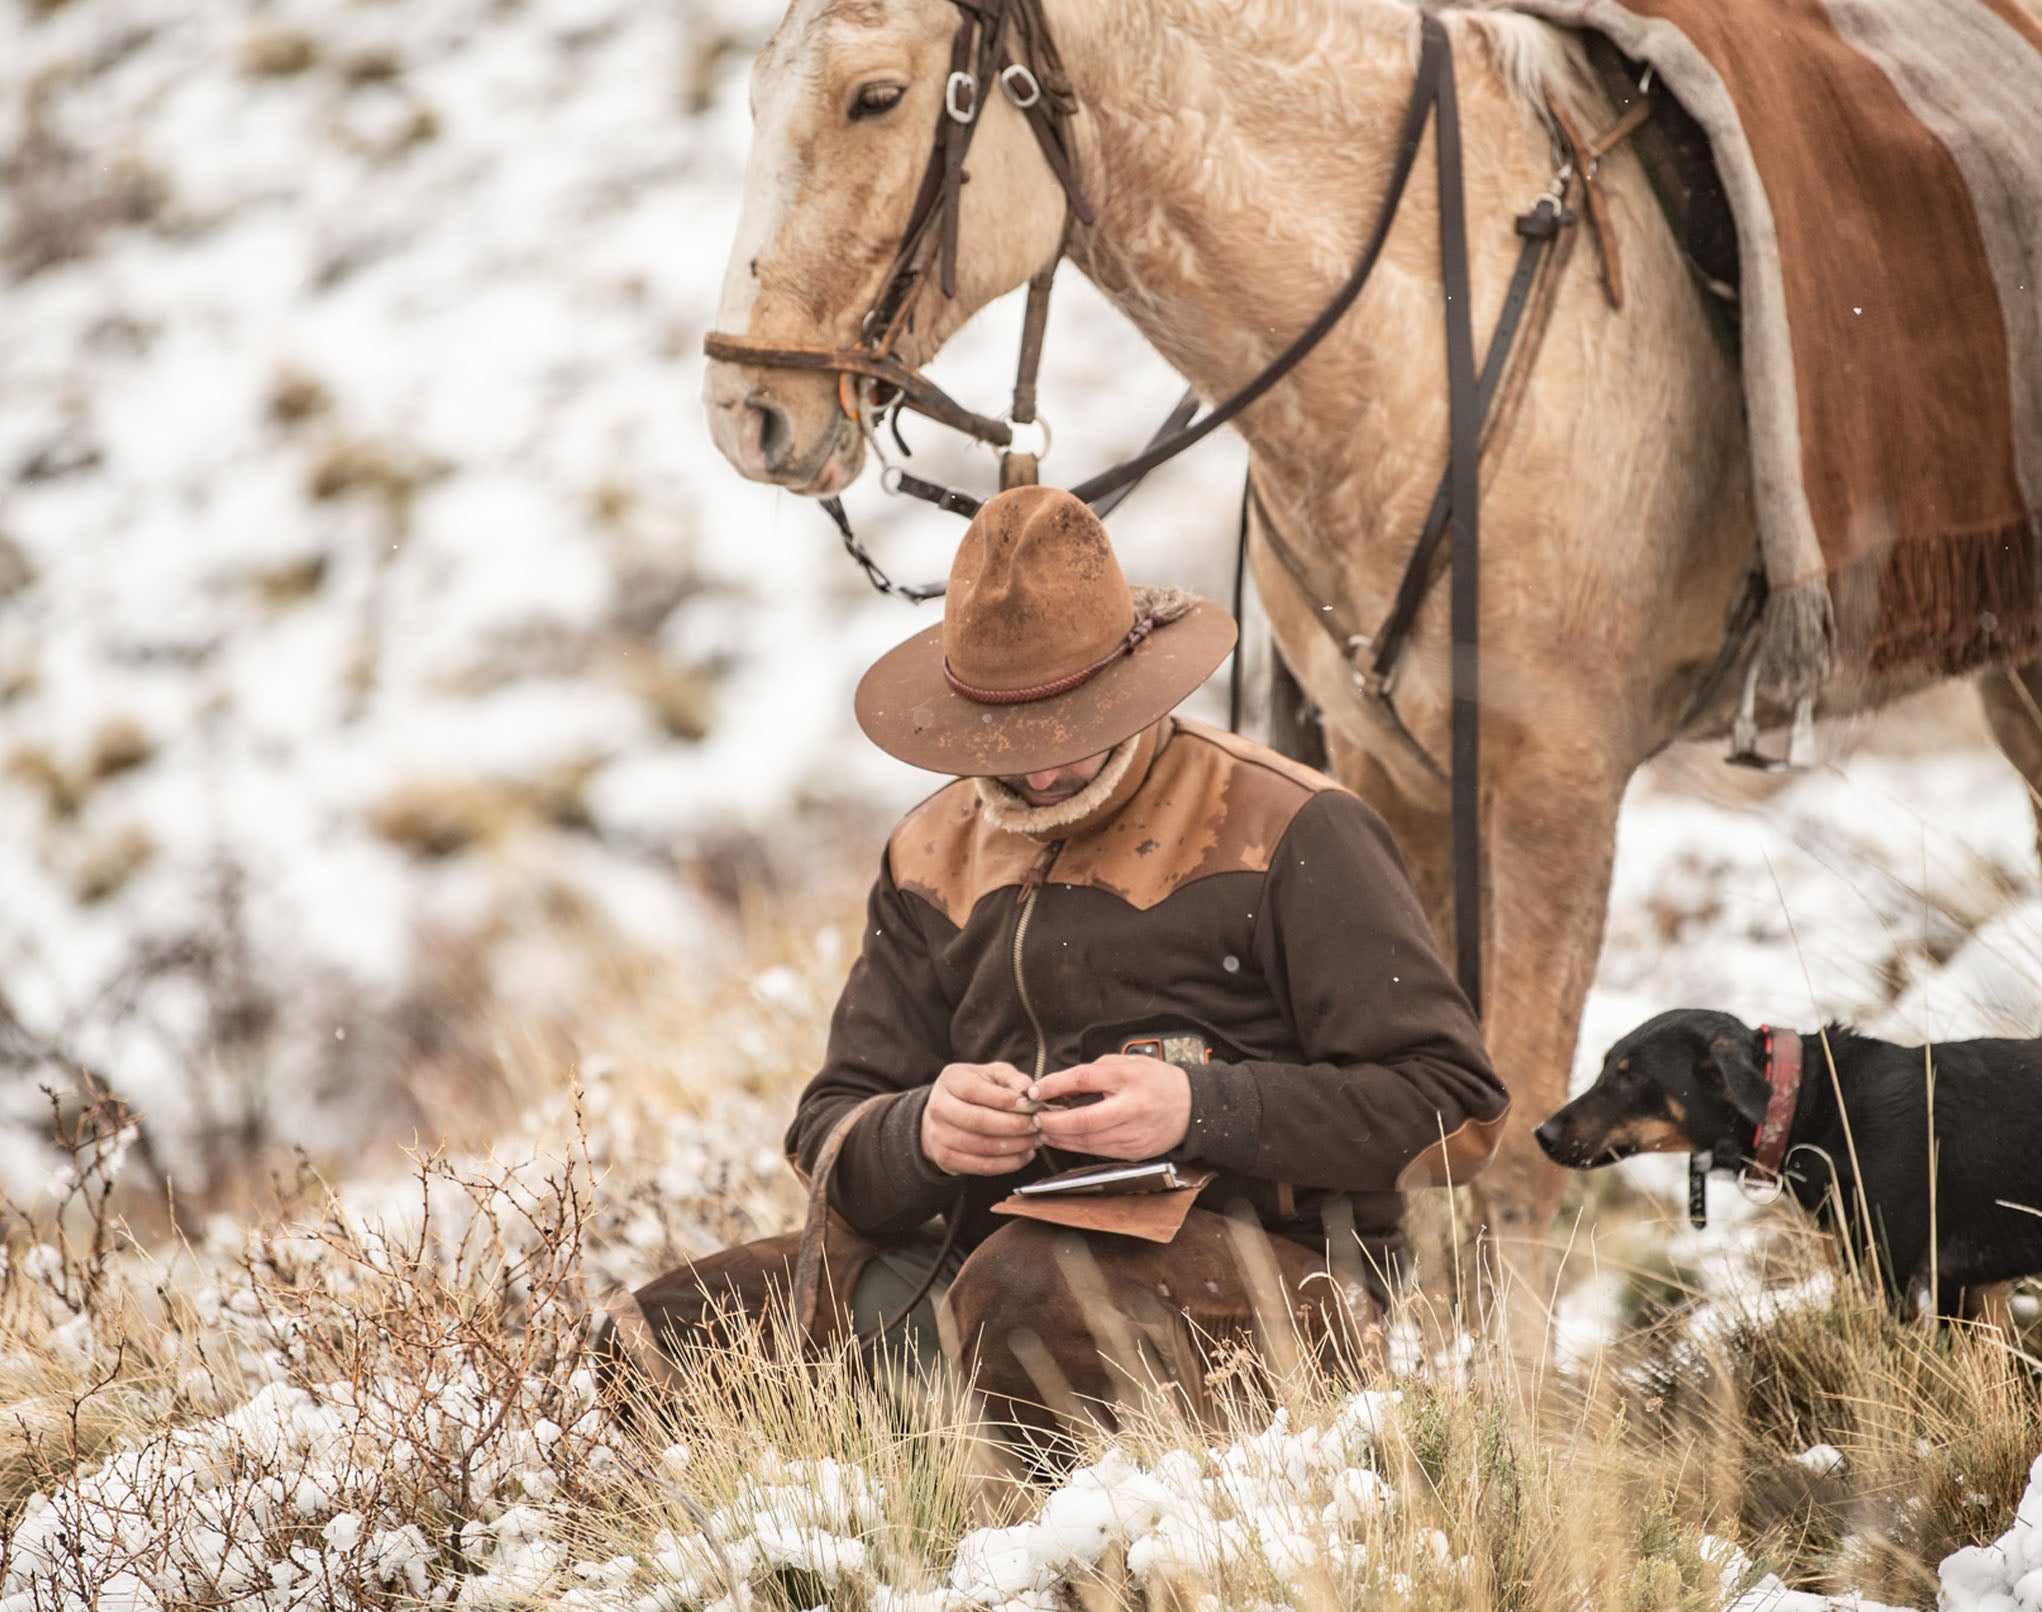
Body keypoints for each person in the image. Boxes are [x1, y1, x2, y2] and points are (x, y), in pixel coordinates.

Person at [601, 486, 1508, 1443]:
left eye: (1069, 728)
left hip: (1290, 1293)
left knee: (1028, 1291)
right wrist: (920, 1134)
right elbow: (828, 1136)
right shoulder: (926, 852)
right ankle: (874, 1527)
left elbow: (1456, 1108)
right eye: (1007, 735)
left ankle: (1045, 1546)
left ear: (1129, 681)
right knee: (658, 1336)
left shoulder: (1293, 827)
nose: (1039, 772)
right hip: (984, 1278)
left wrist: (1205, 1111)